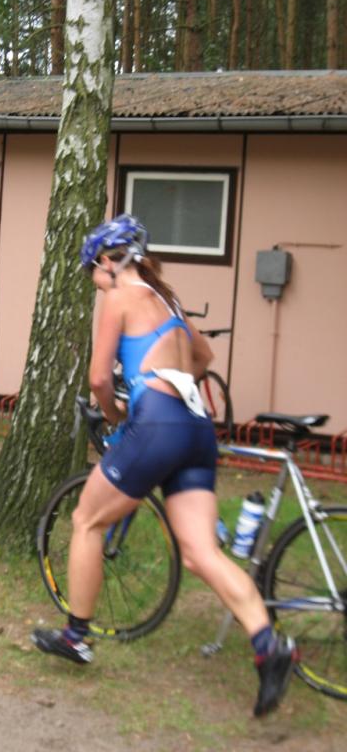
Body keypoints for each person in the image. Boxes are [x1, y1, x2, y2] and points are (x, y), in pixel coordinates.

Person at [31, 214, 297, 717]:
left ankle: (76, 636)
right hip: (196, 429)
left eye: (92, 271)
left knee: (86, 519)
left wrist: (119, 415)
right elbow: (203, 357)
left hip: (156, 426)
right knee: (200, 553)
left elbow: (98, 380)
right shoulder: (167, 301)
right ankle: (269, 647)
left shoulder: (119, 296)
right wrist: (165, 383)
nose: (94, 281)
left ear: (108, 263)